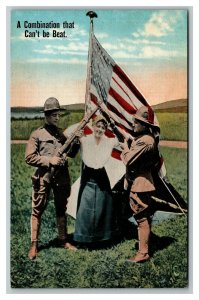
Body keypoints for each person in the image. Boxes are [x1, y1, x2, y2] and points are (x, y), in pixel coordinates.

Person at [25, 97, 77, 260]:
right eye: (53, 115)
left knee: (61, 208)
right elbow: (29, 157)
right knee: (38, 209)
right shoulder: (37, 134)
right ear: (46, 115)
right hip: (44, 177)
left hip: (61, 178)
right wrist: (49, 160)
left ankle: (63, 240)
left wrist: (76, 141)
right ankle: (34, 244)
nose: (57, 117)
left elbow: (72, 154)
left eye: (58, 114)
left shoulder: (62, 134)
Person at [119, 105, 159, 263]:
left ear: (145, 125)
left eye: (137, 121)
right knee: (144, 217)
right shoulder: (146, 139)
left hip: (140, 183)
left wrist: (125, 148)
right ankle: (145, 249)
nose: (133, 124)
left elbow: (129, 160)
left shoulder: (145, 141)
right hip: (142, 181)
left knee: (141, 219)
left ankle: (143, 253)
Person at [73, 115, 118, 248]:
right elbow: (74, 144)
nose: (100, 129)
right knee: (85, 205)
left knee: (103, 205)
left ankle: (103, 238)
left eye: (103, 127)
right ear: (92, 126)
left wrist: (114, 127)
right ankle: (84, 238)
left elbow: (120, 140)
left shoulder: (108, 141)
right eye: (98, 126)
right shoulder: (85, 140)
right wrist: (77, 137)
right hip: (88, 175)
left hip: (101, 176)